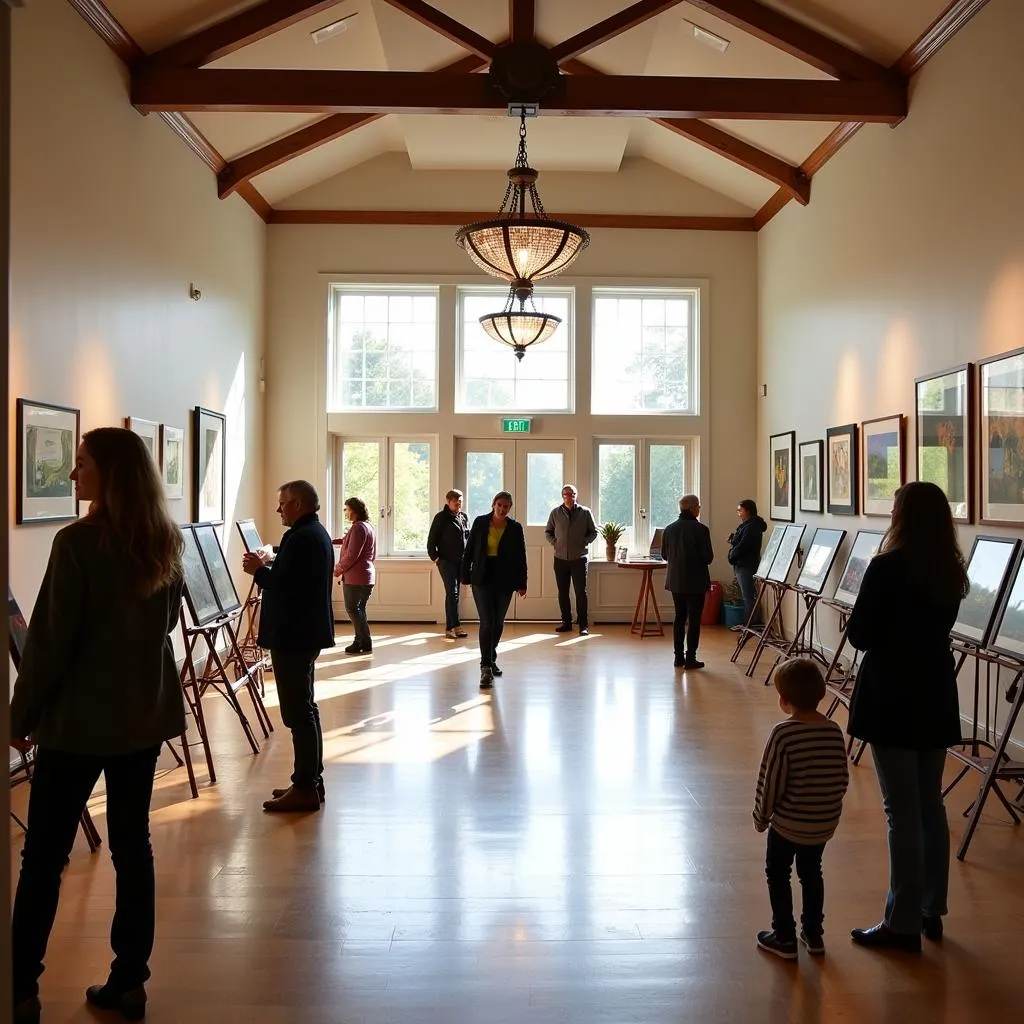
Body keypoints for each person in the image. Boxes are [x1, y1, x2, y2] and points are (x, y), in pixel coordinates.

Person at [10, 427, 186, 1024]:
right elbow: (162, 628)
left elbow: (51, 643)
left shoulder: (78, 543)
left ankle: (19, 986)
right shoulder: (165, 541)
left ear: (110, 473)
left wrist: (21, 714)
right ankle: (130, 981)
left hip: (79, 724)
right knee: (133, 849)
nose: (72, 474)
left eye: (82, 464)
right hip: (140, 719)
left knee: (42, 858)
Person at [845, 480, 968, 952]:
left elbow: (860, 635)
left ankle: (901, 923)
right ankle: (930, 908)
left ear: (903, 516)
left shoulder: (885, 567)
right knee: (929, 803)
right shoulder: (949, 569)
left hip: (893, 694)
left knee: (901, 810)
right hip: (934, 691)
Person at [243, 479, 335, 813]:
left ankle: (305, 786)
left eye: (282, 503)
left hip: (294, 636)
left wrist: (258, 571)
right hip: (305, 635)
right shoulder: (313, 534)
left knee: (298, 713)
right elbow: (294, 574)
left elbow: (286, 586)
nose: (278, 508)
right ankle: (310, 780)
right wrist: (272, 558)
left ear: (297, 504)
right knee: (306, 709)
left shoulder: (301, 538)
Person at [753, 659, 850, 959]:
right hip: (821, 825)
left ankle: (784, 937)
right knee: (811, 874)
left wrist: (761, 816)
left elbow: (771, 782)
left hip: (787, 825)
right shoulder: (834, 730)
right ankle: (813, 933)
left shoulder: (783, 734)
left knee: (778, 874)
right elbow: (841, 779)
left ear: (784, 700)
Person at [461, 491, 528, 689]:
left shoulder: (515, 528)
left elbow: (520, 556)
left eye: (506, 506)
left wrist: (522, 582)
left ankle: (491, 657)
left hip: (505, 580)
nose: (502, 509)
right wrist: (464, 576)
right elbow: (469, 550)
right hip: (482, 578)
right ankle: (485, 668)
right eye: (499, 505)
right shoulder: (481, 522)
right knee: (487, 622)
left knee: (498, 623)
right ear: (493, 504)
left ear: (510, 508)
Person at [661, 494, 714, 669]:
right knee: (694, 619)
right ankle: (690, 657)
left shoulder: (669, 529)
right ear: (692, 508)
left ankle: (678, 657)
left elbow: (664, 555)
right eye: (698, 505)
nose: (700, 508)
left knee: (679, 617)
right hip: (696, 582)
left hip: (676, 580)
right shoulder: (701, 530)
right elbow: (708, 558)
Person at [545, 484, 598, 635]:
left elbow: (594, 532)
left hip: (579, 558)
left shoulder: (585, 512)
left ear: (576, 495)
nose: (569, 496)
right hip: (560, 559)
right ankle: (566, 622)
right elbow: (548, 532)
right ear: (562, 496)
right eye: (566, 494)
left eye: (572, 494)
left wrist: (584, 542)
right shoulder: (555, 513)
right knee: (563, 592)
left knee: (580, 592)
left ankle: (583, 625)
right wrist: (555, 543)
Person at [334, 497, 377, 655]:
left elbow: (352, 555)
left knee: (353, 608)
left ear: (355, 510)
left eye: (347, 509)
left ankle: (361, 641)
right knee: (359, 609)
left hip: (356, 577)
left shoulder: (358, 528)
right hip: (366, 575)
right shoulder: (367, 527)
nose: (346, 512)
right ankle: (364, 642)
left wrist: (338, 569)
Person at [427, 489, 469, 639]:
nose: (458, 503)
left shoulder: (463, 517)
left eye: (460, 501)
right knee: (452, 592)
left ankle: (454, 626)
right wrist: (437, 559)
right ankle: (452, 627)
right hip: (446, 562)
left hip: (461, 562)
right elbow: (431, 541)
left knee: (455, 594)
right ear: (448, 501)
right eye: (455, 501)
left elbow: (467, 537)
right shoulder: (441, 518)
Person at [727, 498, 767, 624]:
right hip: (743, 563)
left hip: (746, 565)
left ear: (748, 511)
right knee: (748, 596)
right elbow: (741, 540)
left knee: (748, 597)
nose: (738, 513)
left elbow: (744, 545)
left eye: (740, 510)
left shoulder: (752, 526)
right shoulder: (747, 525)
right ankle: (749, 623)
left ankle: (749, 625)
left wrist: (731, 555)